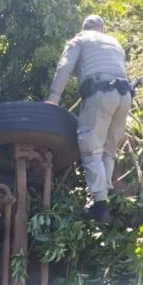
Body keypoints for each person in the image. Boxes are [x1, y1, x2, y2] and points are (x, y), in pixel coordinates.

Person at [46, 15, 132, 223]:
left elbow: (65, 66)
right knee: (109, 150)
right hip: (124, 96)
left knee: (90, 148)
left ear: (84, 27)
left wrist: (53, 98)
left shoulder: (80, 39)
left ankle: (99, 206)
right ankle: (105, 195)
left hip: (100, 95)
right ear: (102, 28)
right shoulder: (115, 43)